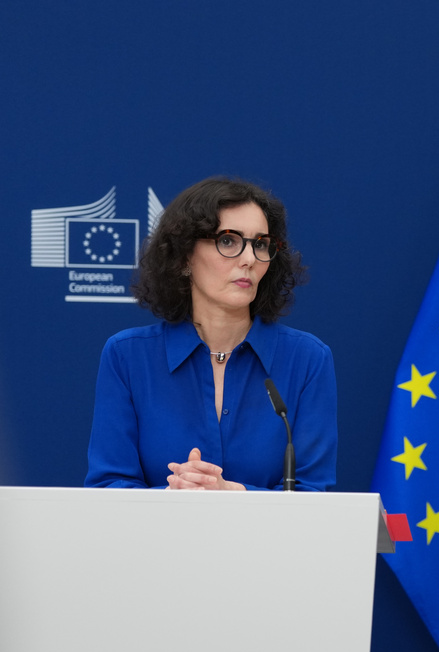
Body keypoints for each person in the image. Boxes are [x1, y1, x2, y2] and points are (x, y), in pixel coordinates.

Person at [85, 177, 337, 491]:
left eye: (260, 244)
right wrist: (173, 495)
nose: (249, 259)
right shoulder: (127, 356)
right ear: (183, 258)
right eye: (228, 241)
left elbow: (314, 496)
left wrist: (234, 494)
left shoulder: (307, 359)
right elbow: (107, 485)